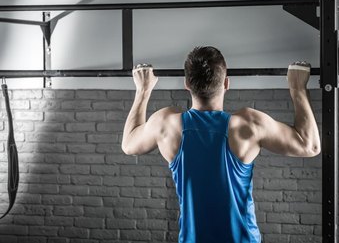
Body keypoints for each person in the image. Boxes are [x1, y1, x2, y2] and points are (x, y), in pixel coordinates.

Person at [121, 46, 321, 243]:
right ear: (226, 83)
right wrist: (297, 89)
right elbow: (309, 146)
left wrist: (143, 90)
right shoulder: (248, 125)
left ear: (187, 84)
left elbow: (129, 144)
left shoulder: (165, 124)